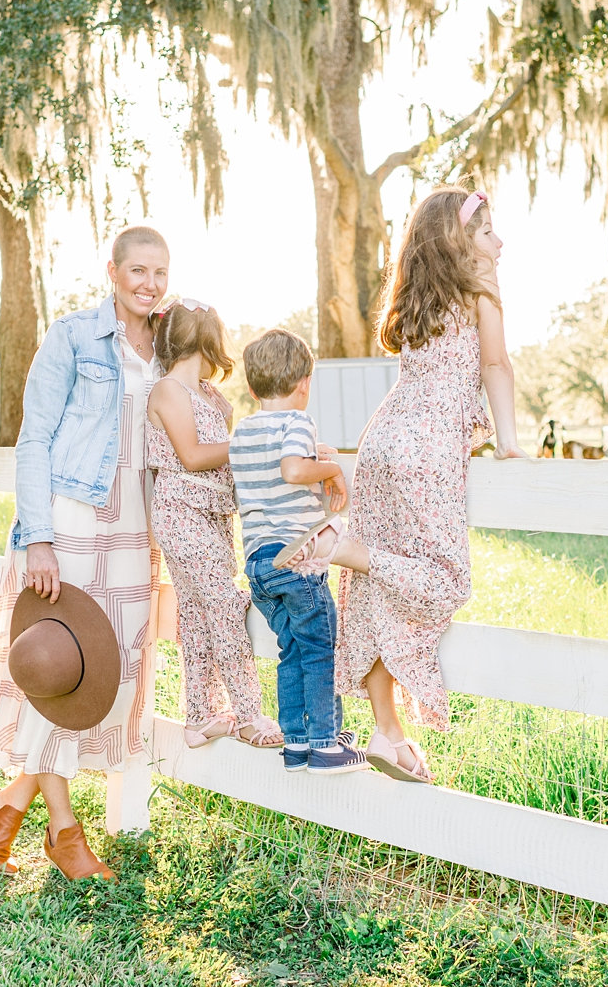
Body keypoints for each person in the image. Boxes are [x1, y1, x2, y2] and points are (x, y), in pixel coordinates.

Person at [0, 225, 169, 879]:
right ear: (112, 271)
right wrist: (38, 538)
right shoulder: (74, 336)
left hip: (136, 530)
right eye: (137, 270)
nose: (149, 283)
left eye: (160, 272)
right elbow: (34, 441)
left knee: (99, 678)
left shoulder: (169, 345)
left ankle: (7, 802)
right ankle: (64, 831)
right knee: (58, 665)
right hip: (71, 523)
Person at [323, 186, 527, 783]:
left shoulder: (416, 299)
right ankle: (351, 551)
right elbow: (495, 366)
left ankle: (388, 733)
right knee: (443, 579)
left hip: (383, 442)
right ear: (458, 242)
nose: (498, 240)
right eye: (487, 230)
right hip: (426, 450)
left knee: (377, 587)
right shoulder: (480, 292)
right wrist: (509, 439)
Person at [145, 299, 283, 750]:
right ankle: (247, 714)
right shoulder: (168, 391)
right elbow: (192, 455)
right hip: (183, 512)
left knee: (199, 611)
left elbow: (213, 450)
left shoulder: (204, 396)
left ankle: (200, 716)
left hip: (211, 512)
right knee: (224, 604)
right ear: (204, 342)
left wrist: (225, 419)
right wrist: (245, 439)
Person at [230, 329, 369, 774]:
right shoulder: (297, 423)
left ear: (252, 387)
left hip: (258, 562)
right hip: (297, 557)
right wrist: (334, 467)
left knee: (292, 648)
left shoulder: (244, 430)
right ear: (305, 382)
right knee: (319, 646)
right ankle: (326, 744)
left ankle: (297, 742)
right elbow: (293, 469)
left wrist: (318, 458)